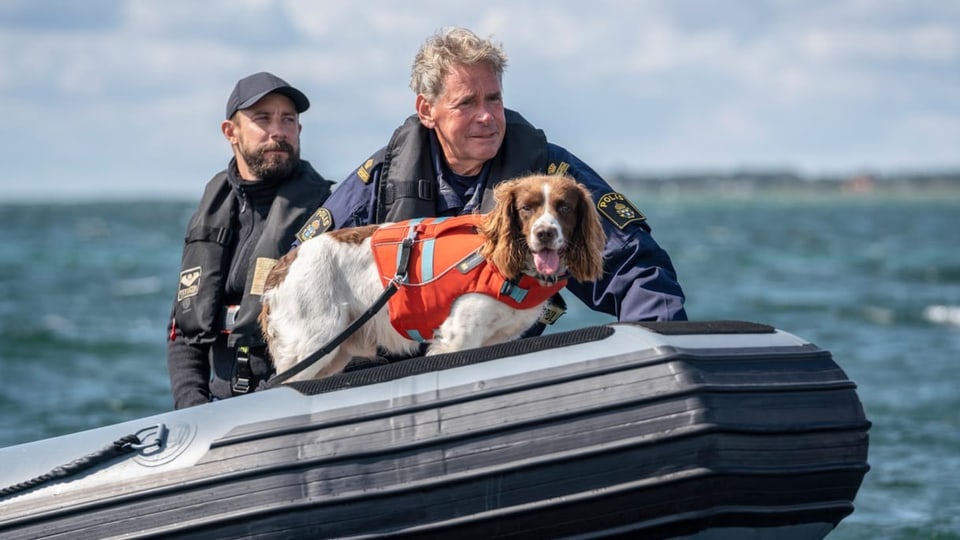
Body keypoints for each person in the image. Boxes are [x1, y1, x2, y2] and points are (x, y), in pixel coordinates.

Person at [317, 27, 686, 330]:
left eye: (493, 99)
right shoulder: (382, 181)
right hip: (393, 368)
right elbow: (311, 267)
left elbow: (635, 270)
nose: (487, 116)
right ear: (427, 110)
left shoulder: (550, 177)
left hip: (502, 366)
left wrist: (664, 348)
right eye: (467, 103)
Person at [166, 72, 334, 409]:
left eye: (288, 120)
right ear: (231, 132)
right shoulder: (212, 213)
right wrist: (193, 409)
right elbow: (183, 331)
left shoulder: (328, 212)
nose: (278, 131)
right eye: (263, 119)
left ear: (299, 131)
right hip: (219, 407)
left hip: (298, 403)